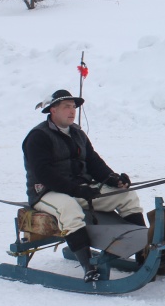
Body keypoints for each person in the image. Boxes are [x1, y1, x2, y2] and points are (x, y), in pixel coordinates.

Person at [23, 89, 146, 282]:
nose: (72, 111)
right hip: (47, 191)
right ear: (52, 110)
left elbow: (94, 162)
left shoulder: (77, 133)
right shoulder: (38, 137)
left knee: (127, 196)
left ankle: (143, 253)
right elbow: (45, 174)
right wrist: (76, 189)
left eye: (73, 107)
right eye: (66, 107)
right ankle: (89, 267)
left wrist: (114, 179)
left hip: (79, 188)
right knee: (70, 209)